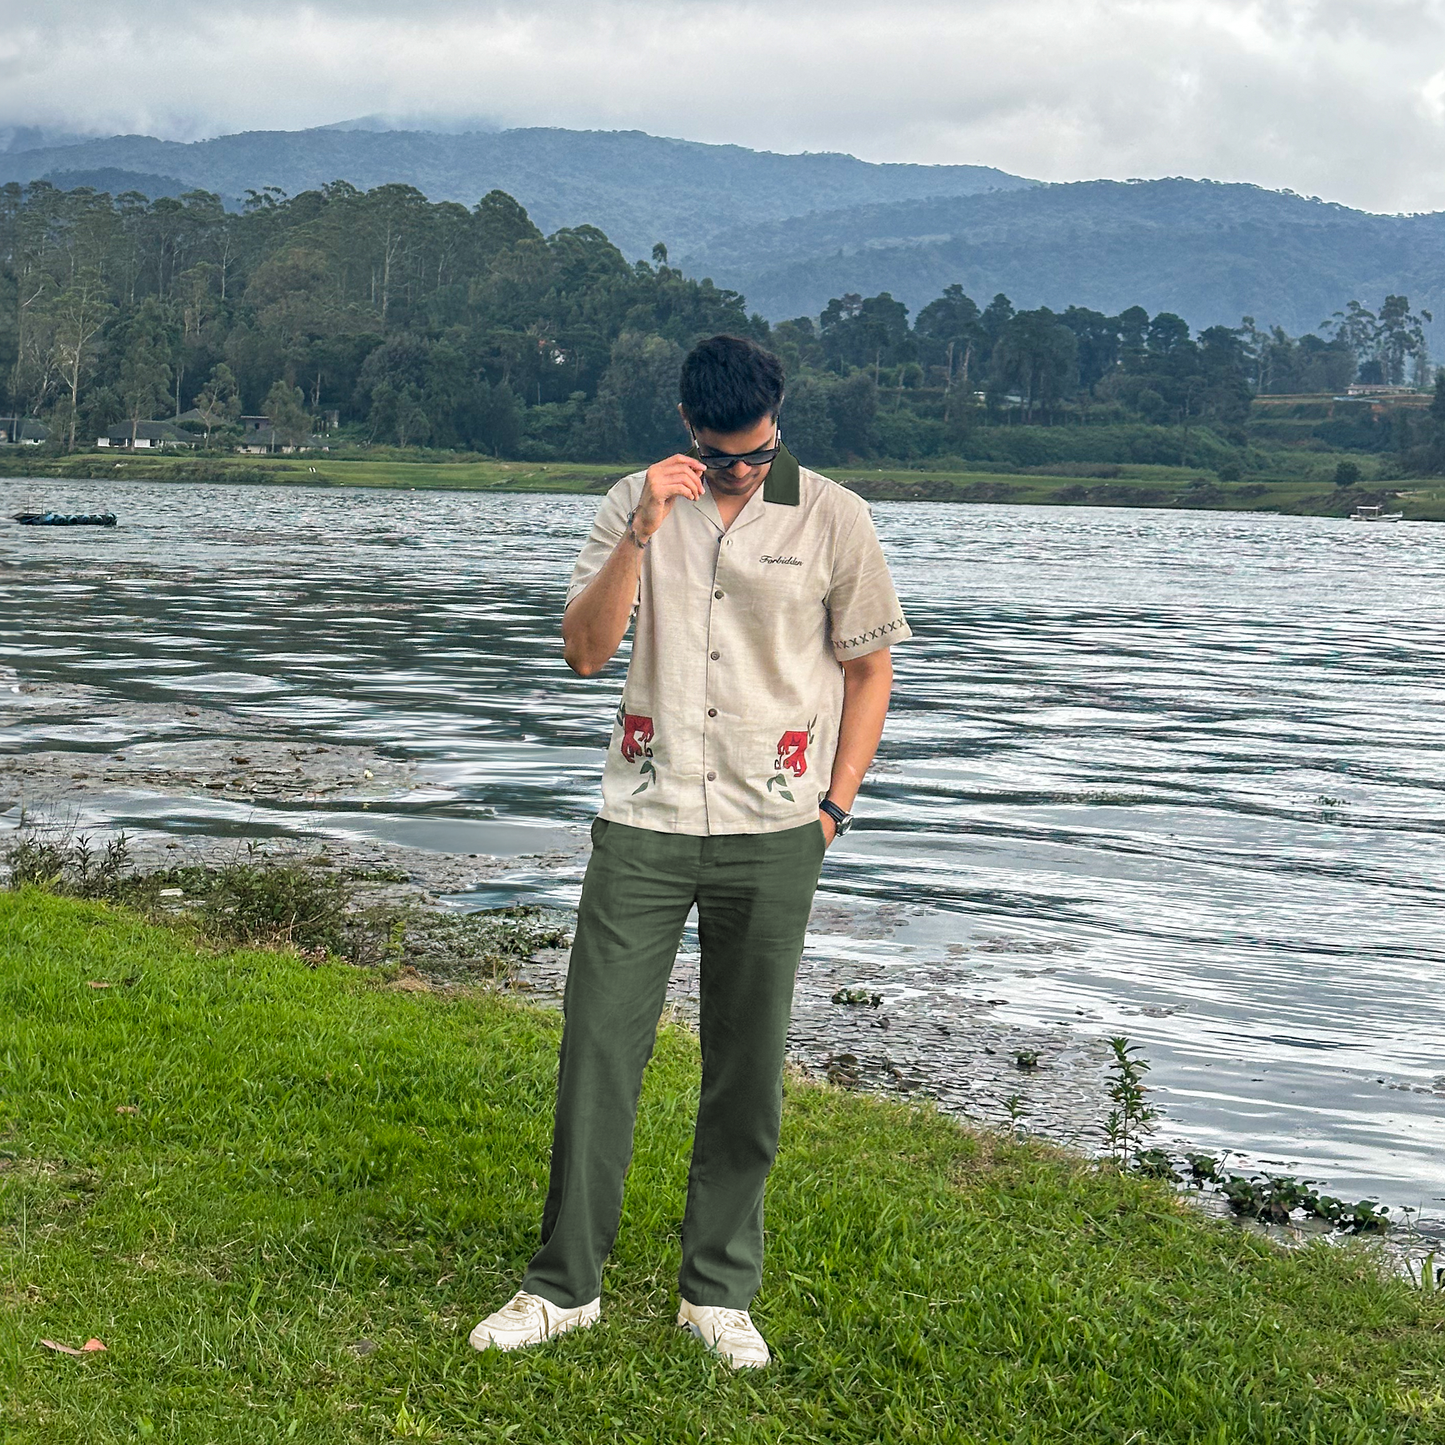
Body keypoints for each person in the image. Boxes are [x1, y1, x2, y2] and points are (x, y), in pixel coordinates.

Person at [470, 334, 911, 1368]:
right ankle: (561, 1284)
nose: (739, 471)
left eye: (754, 453)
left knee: (746, 1065)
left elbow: (869, 670)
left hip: (774, 827)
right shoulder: (634, 501)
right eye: (721, 456)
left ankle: (716, 1290)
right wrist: (640, 530)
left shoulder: (834, 514)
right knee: (596, 1050)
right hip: (644, 819)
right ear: (685, 428)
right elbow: (584, 653)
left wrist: (833, 809)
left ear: (777, 420)